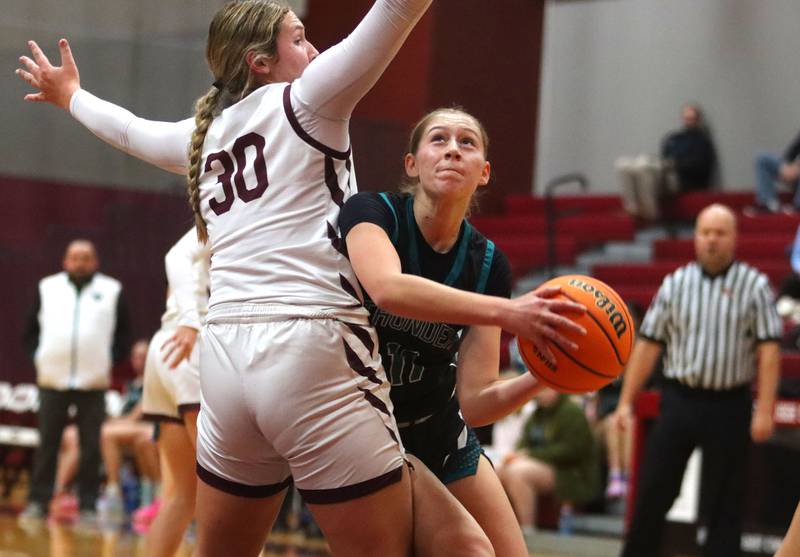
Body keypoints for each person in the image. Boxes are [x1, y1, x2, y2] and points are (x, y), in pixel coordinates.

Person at [14, 2, 551, 555]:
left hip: (224, 361)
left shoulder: (203, 137)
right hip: (309, 344)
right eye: (300, 39)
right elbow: (396, 10)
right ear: (261, 62)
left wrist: (70, 96)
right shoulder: (310, 98)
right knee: (423, 547)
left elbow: (129, 131)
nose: (314, 51)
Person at [339, 106, 587, 555]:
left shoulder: (488, 263)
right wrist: (506, 312)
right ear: (412, 164)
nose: (453, 149)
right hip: (363, 425)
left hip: (437, 427)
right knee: (466, 549)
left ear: (485, 172)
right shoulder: (373, 213)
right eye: (438, 139)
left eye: (466, 142)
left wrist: (548, 376)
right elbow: (388, 289)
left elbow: (475, 402)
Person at [611, 203, 783, 557]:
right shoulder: (675, 283)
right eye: (705, 233)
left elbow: (768, 351)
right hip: (680, 400)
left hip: (730, 402)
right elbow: (648, 344)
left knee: (726, 502)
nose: (712, 241)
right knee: (655, 488)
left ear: (734, 238)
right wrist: (626, 402)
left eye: (720, 233)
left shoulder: (754, 285)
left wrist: (765, 409)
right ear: (695, 238)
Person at [20, 239, 131, 524]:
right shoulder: (47, 287)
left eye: (86, 257)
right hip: (52, 380)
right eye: (75, 257)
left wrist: (106, 360)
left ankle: (88, 506)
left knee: (91, 445)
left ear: (95, 261)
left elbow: (123, 336)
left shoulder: (111, 290)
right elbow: (30, 331)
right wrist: (41, 356)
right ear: (65, 261)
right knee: (48, 443)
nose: (80, 262)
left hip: (93, 383)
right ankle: (38, 501)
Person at [138, 228, 209, 557]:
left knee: (184, 494)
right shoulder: (237, 208)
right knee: (225, 488)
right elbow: (175, 257)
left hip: (166, 344)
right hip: (192, 341)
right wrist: (190, 320)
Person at [52, 339, 159, 522]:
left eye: (143, 356)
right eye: (135, 356)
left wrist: (111, 423)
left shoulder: (153, 382)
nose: (138, 360)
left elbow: (136, 416)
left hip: (145, 428)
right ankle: (60, 491)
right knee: (71, 434)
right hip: (125, 428)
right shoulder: (132, 384)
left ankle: (113, 494)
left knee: (103, 433)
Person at [496, 387, 599, 537]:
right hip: (542, 466)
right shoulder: (537, 414)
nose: (541, 394)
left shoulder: (572, 412)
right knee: (500, 469)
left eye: (546, 390)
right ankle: (503, 529)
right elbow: (523, 443)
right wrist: (517, 454)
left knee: (518, 473)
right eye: (539, 390)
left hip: (571, 473)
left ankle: (527, 529)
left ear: (557, 389)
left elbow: (572, 451)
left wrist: (530, 454)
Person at [615, 103, 716, 222]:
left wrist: (675, 164)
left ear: (698, 119)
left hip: (682, 180)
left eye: (692, 118)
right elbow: (664, 157)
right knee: (623, 164)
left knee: (645, 168)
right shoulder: (674, 138)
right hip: (664, 171)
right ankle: (631, 208)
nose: (689, 121)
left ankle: (649, 213)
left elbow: (700, 167)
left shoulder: (702, 142)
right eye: (686, 118)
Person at [747, 129, 800, 214]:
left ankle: (798, 207)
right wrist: (786, 168)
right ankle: (768, 203)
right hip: (795, 174)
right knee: (762, 160)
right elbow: (790, 154)